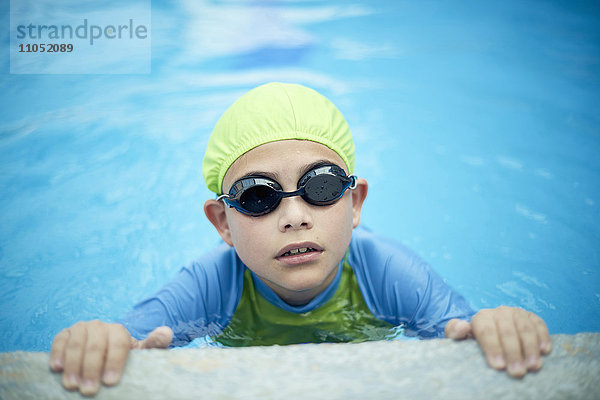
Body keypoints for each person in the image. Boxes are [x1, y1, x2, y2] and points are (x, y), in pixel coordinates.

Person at [49, 82, 552, 396]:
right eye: (257, 196)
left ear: (355, 205)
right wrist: (102, 339)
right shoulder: (209, 285)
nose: (294, 216)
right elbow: (127, 340)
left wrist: (498, 325)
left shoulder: (388, 273)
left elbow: (463, 333)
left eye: (322, 187)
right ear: (222, 224)